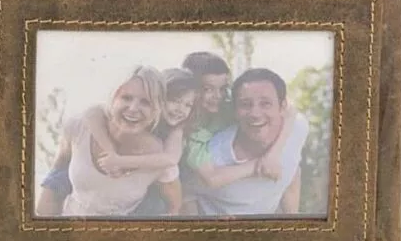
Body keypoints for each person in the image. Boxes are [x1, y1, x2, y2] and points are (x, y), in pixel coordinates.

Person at [35, 68, 201, 217]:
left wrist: (120, 161)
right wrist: (111, 152)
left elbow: (170, 161)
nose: (180, 109)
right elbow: (91, 113)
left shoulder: (173, 134)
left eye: (188, 105)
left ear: (156, 106)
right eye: (175, 101)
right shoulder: (89, 123)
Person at [188, 68, 309, 216]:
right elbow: (184, 194)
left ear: (282, 107)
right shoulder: (213, 157)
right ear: (235, 111)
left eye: (265, 103)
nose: (255, 114)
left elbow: (292, 169)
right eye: (245, 104)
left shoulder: (297, 127)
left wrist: (293, 222)